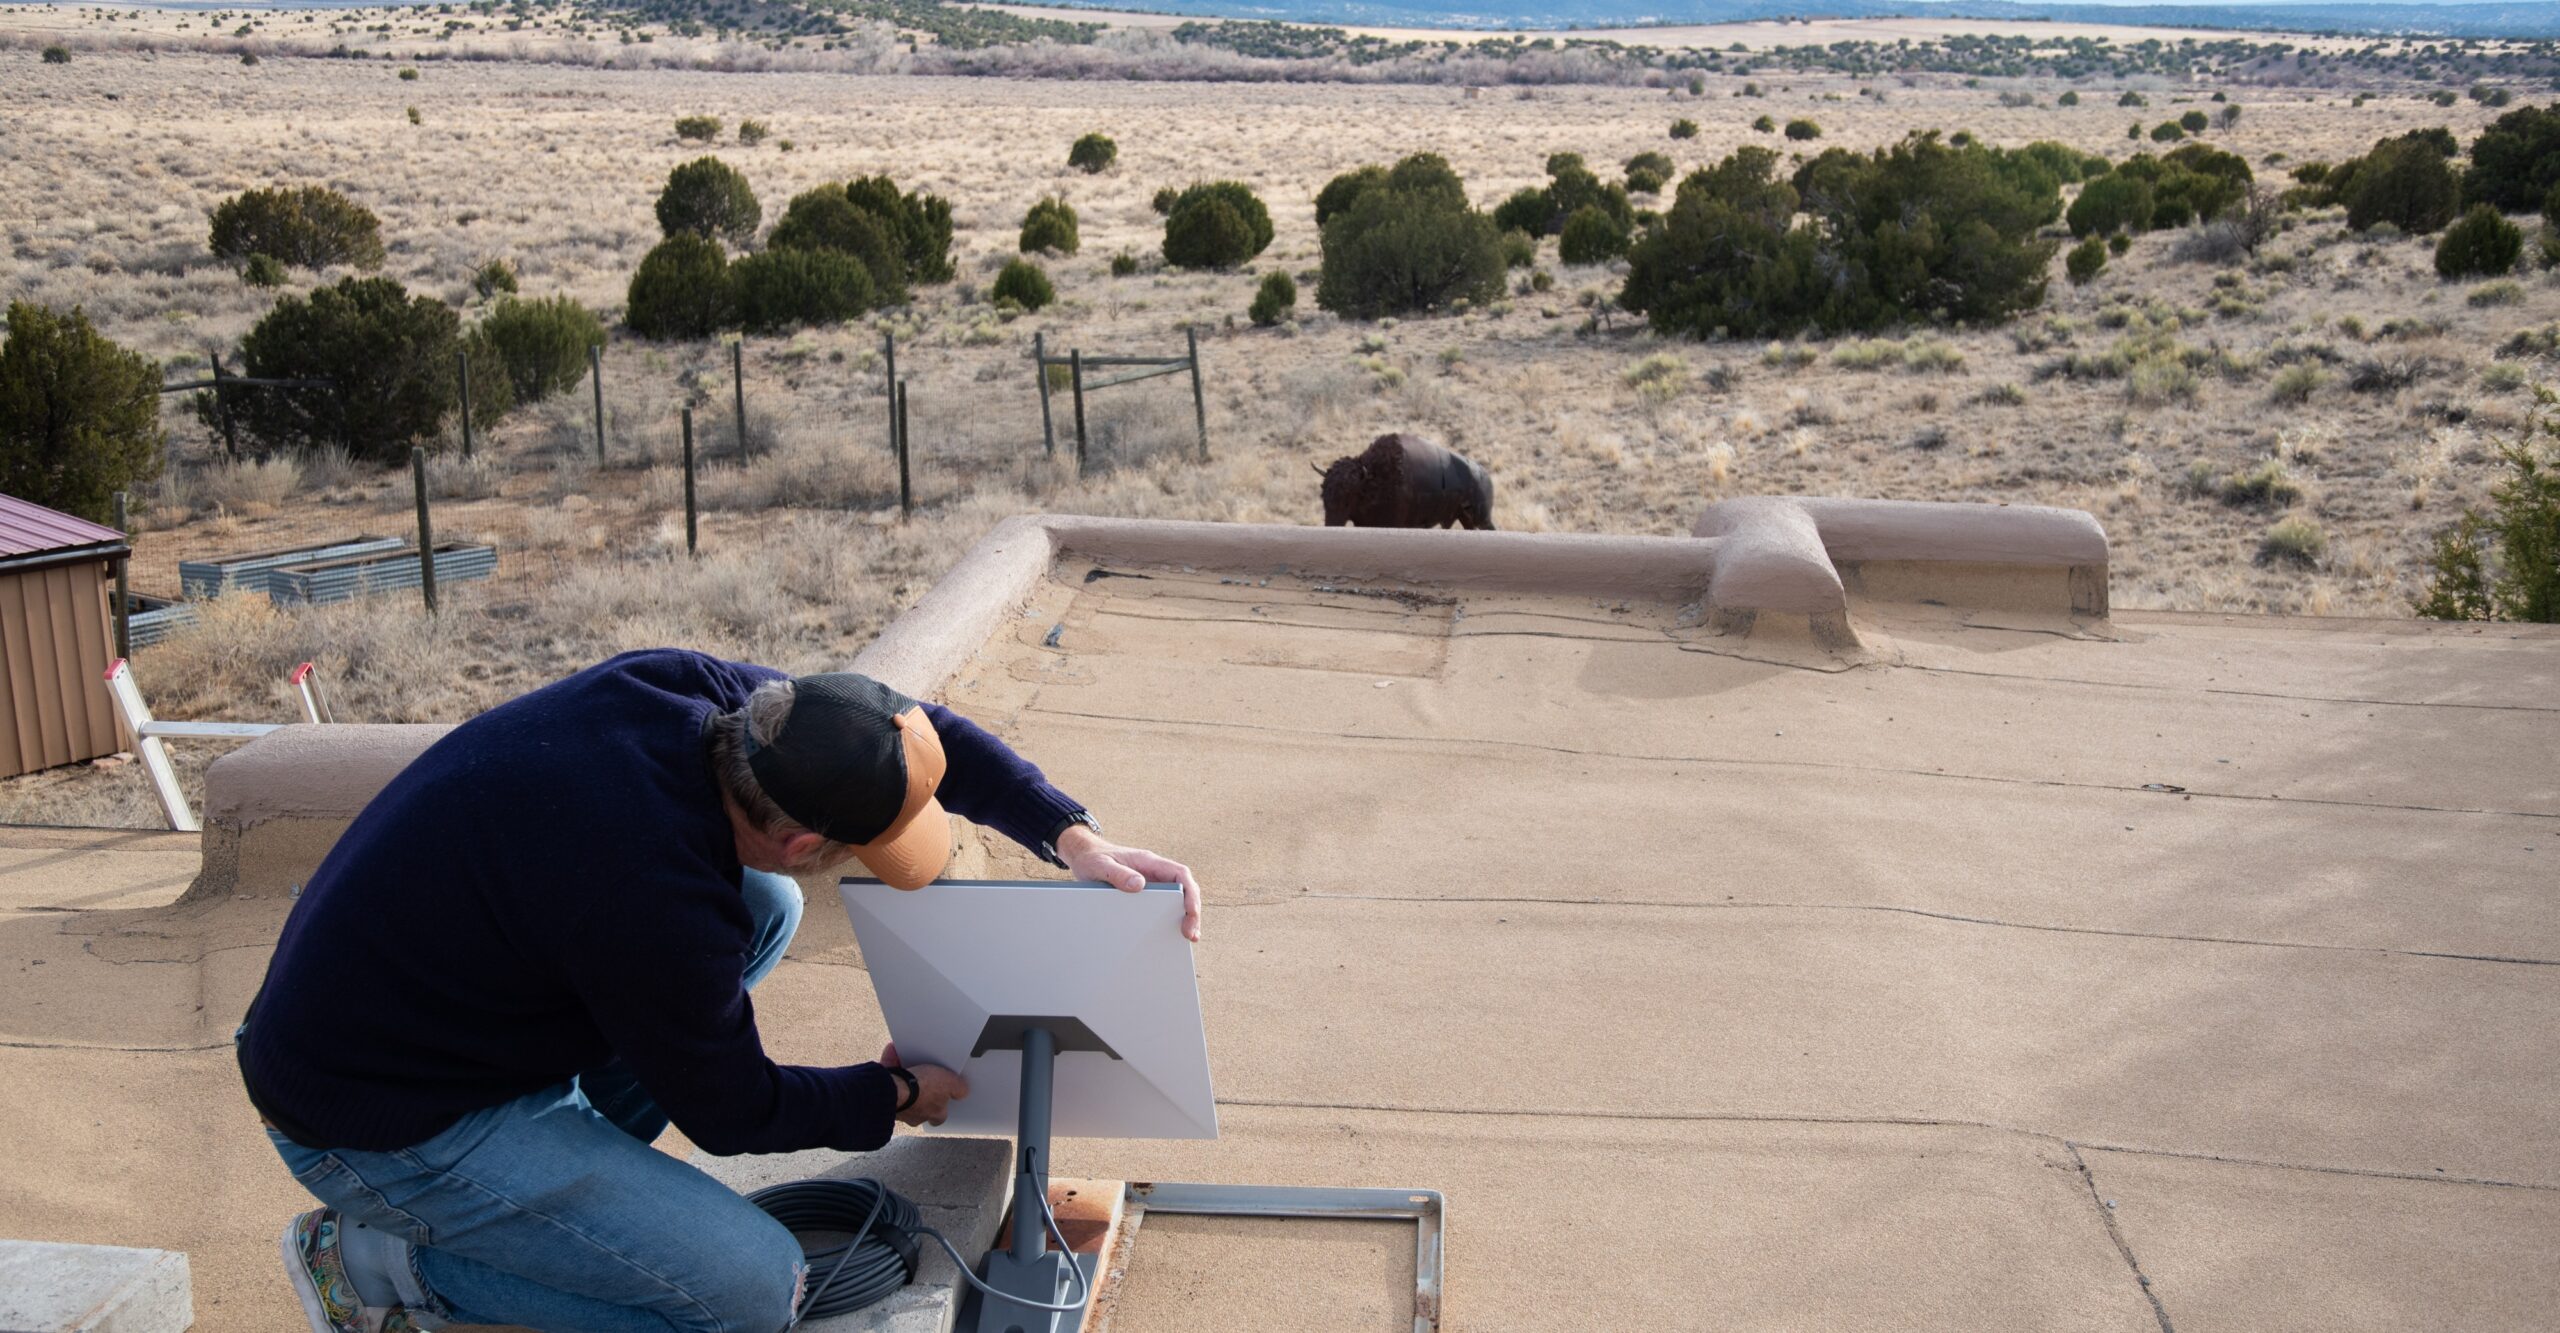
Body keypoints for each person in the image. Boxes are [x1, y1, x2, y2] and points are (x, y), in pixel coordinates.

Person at [236, 649, 1203, 1333]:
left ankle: (559, 1191)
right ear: (800, 836)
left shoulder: (719, 703)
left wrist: (1073, 835)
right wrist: (891, 1096)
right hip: (380, 1117)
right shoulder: (651, 896)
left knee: (767, 908)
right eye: (860, 845)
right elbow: (733, 1107)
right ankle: (381, 1264)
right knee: (749, 1291)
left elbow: (915, 729)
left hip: (440, 1015)